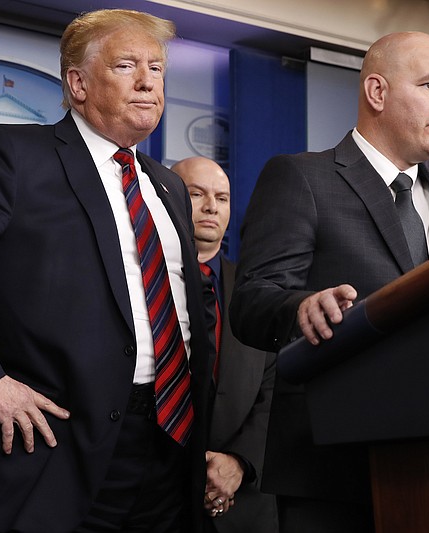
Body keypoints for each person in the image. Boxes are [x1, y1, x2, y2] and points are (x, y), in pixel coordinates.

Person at [0, 9, 213, 533]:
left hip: (169, 449)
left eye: (157, 68)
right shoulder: (16, 156)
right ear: (77, 83)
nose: (148, 81)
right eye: (127, 65)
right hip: (51, 456)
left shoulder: (167, 187)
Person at [229, 31, 429, 533]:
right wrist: (302, 308)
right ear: (377, 93)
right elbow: (252, 301)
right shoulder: (302, 178)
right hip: (330, 466)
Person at [171, 156, 279, 532]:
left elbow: (276, 388)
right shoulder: (140, 283)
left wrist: (238, 461)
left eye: (222, 197)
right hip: (154, 496)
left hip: (242, 502)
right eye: (196, 193)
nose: (211, 206)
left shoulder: (259, 294)